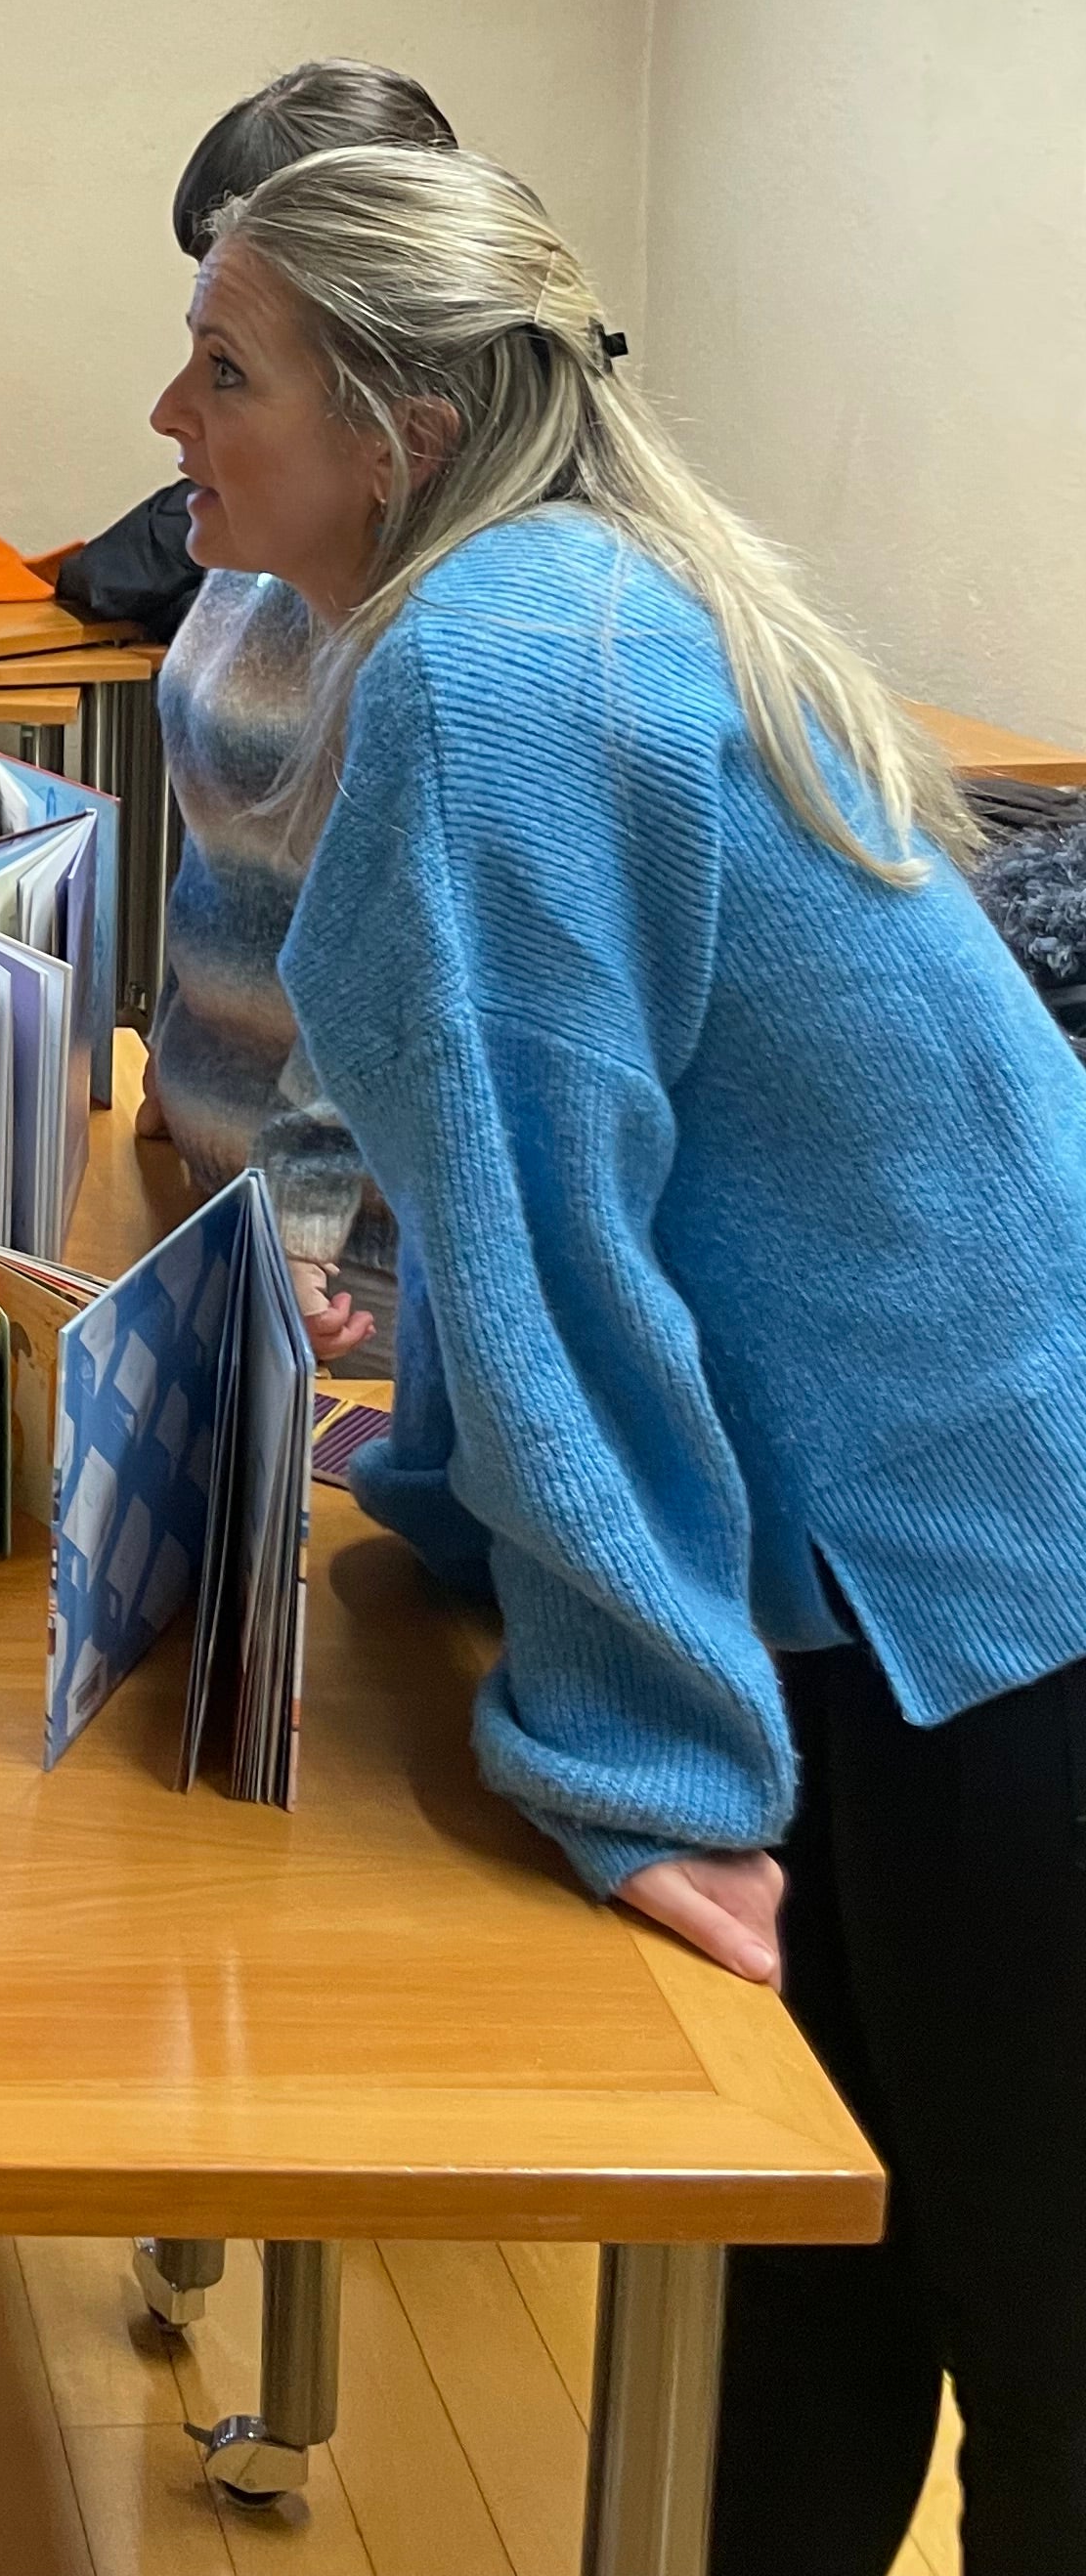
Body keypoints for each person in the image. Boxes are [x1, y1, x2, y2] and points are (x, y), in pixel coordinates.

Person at [151, 140, 1086, 2576]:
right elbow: (542, 1183)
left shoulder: (494, 662)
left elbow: (558, 1245)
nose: (171, 410)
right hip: (944, 1534)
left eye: (225, 367)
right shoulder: (552, 602)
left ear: (402, 421)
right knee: (807, 2296)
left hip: (979, 1577)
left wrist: (649, 1757)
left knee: (1031, 2338)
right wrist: (459, 1517)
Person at [130, 61, 459, 1368]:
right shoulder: (274, 533)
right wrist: (174, 1055)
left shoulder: (426, 605)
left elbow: (390, 936)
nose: (178, 404)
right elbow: (235, 848)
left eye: (231, 361)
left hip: (341, 1265)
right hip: (214, 1186)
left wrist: (304, 1200)